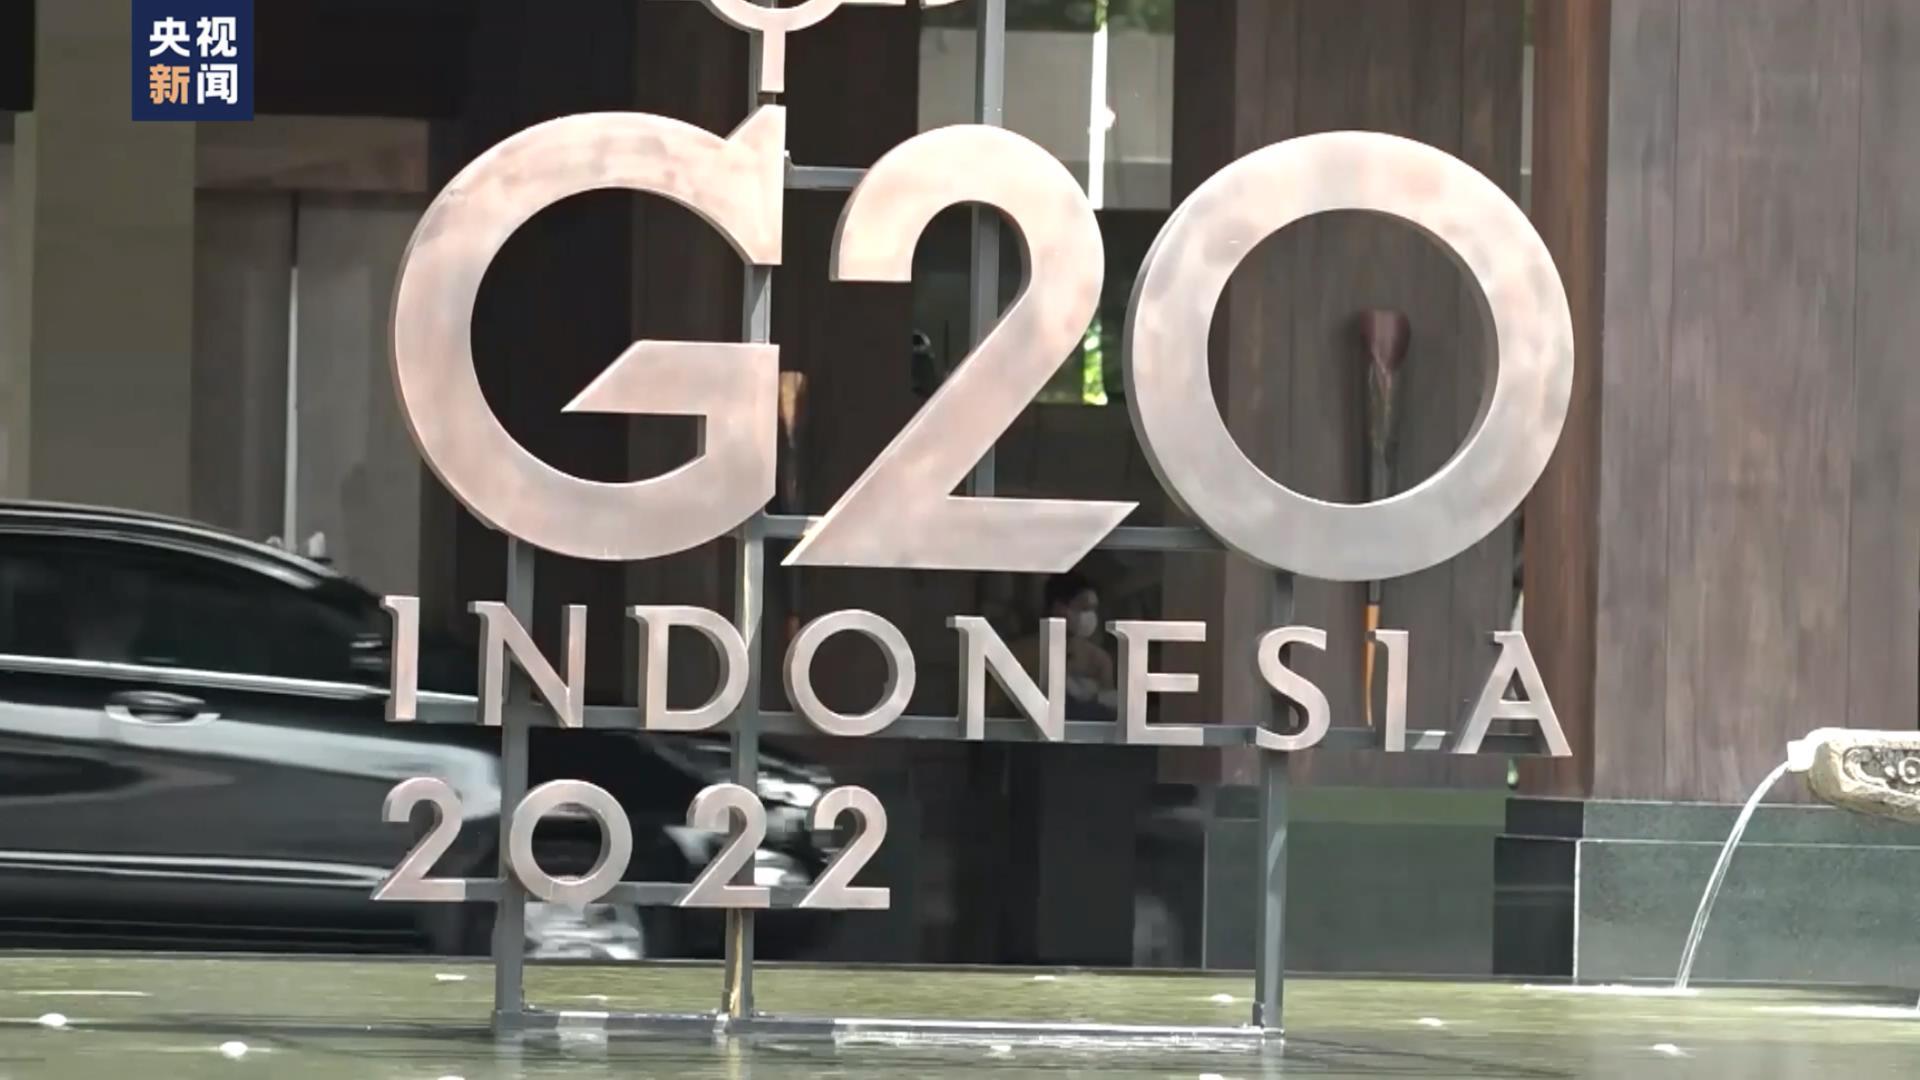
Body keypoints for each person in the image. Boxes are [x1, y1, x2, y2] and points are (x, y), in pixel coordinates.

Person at [1000, 571, 1118, 721]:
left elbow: (1108, 717)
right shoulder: (1020, 654)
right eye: (1083, 608)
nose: (1090, 616)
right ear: (1059, 608)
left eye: (1093, 609)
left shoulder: (1098, 660)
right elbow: (997, 713)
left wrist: (1093, 697)